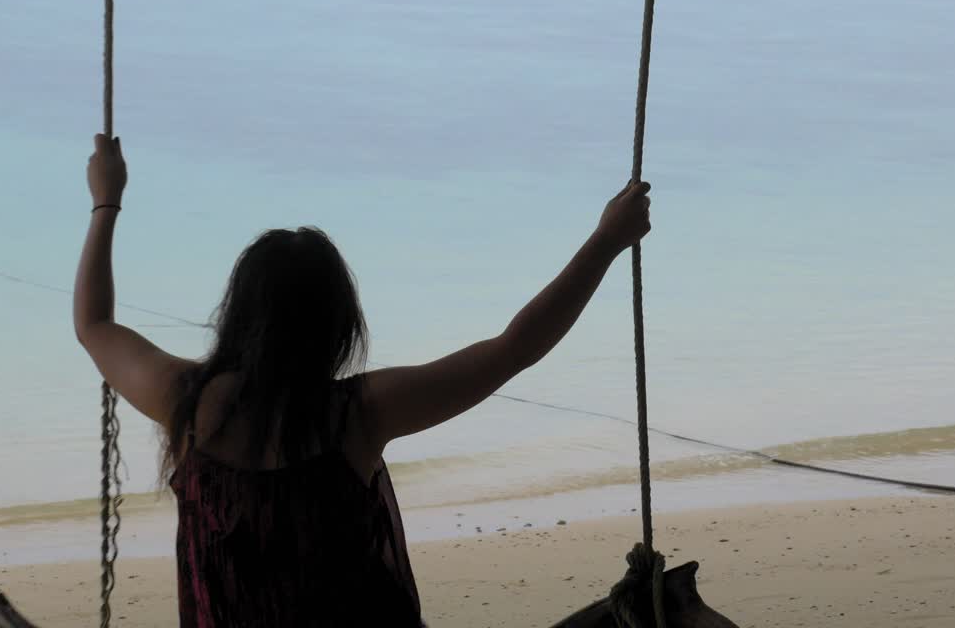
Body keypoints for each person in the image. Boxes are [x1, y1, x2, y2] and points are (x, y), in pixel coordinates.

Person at [73, 134, 652, 627]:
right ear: (338, 325)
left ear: (239, 313)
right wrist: (605, 241)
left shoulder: (185, 401)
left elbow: (93, 324)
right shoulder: (357, 414)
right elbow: (516, 347)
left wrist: (106, 203)